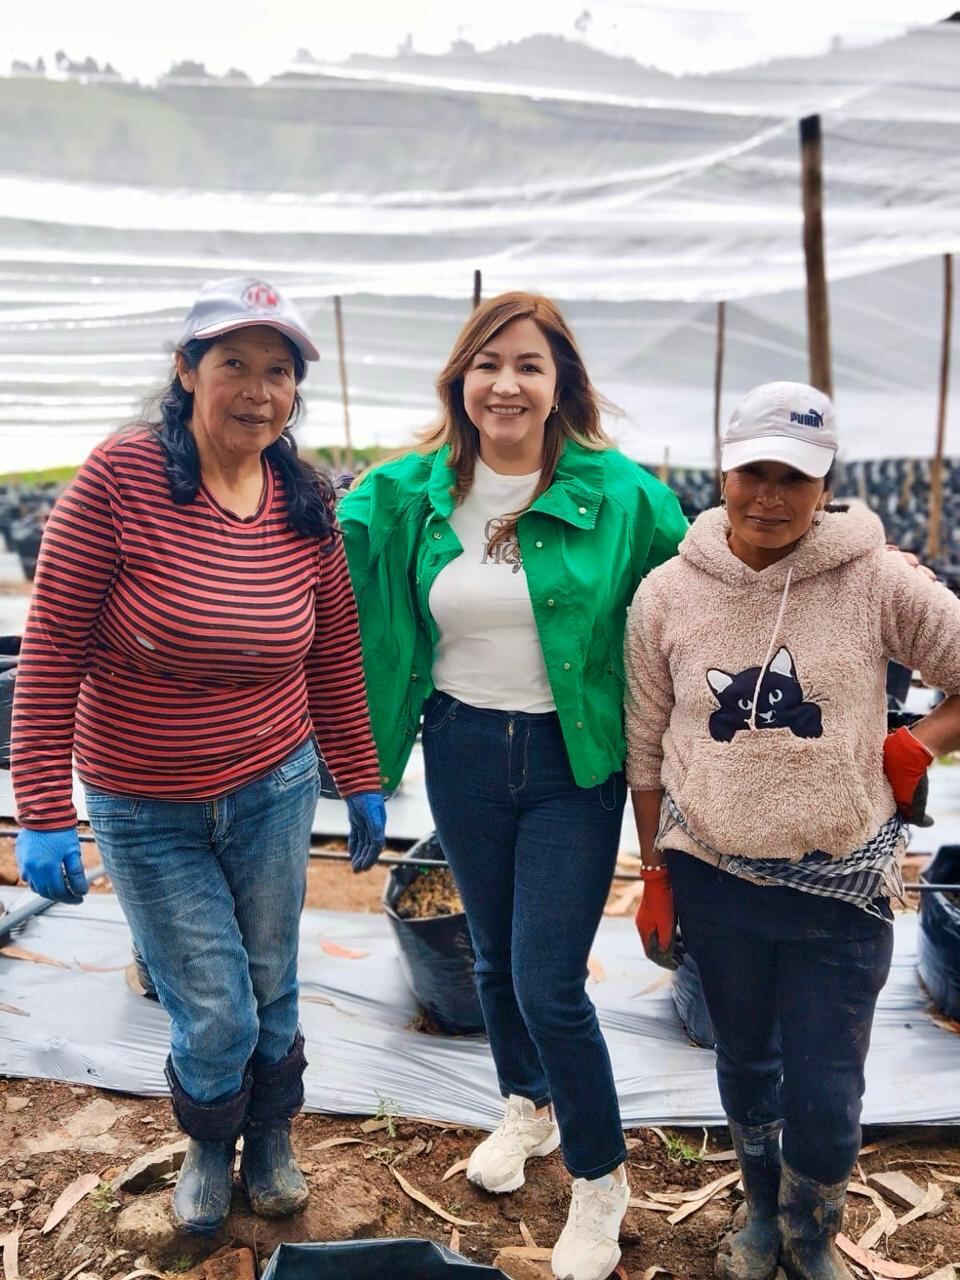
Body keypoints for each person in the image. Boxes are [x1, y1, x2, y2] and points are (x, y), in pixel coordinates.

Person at [11, 277, 387, 1233]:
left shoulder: (305, 499)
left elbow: (335, 647)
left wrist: (362, 772)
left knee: (271, 974)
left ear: (294, 391)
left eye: (277, 371)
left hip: (274, 781)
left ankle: (269, 1135)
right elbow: (52, 642)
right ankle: (210, 1140)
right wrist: (45, 804)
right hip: (145, 798)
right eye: (233, 365)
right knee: (213, 1000)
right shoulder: (119, 480)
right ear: (187, 373)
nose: (257, 391)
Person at [337, 291, 689, 1280]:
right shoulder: (405, 492)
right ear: (460, 379)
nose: (506, 382)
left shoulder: (621, 493)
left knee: (546, 975)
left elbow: (699, 587)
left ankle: (600, 1175)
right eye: (488, 363)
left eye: (530, 364)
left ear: (559, 384)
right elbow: (320, 568)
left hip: (575, 759)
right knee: (489, 956)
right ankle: (526, 1105)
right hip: (459, 745)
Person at [624, 381, 960, 1280]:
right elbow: (648, 747)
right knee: (745, 1063)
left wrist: (915, 744)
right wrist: (655, 872)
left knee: (825, 1087)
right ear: (723, 468)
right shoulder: (667, 595)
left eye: (793, 478)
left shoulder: (877, 581)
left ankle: (812, 1229)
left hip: (840, 890)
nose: (769, 496)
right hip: (718, 880)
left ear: (825, 484)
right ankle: (761, 1213)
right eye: (752, 473)